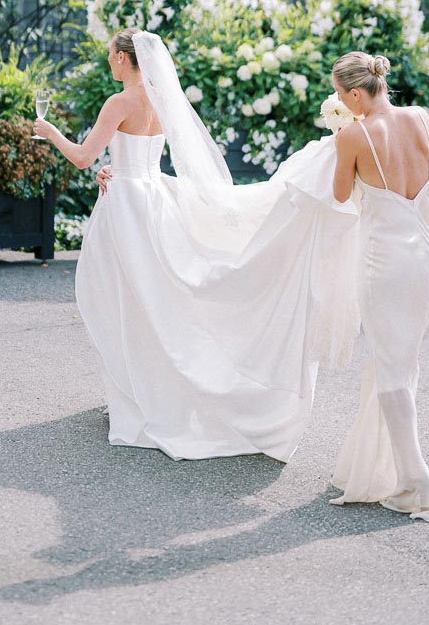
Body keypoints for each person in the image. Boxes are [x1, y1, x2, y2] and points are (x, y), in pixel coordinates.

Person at [34, 28, 359, 462]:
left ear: (124, 60)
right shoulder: (159, 99)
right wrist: (115, 169)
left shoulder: (119, 102)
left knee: (128, 301)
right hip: (151, 197)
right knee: (156, 301)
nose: (109, 62)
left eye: (112, 56)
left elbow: (82, 156)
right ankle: (146, 388)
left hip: (127, 206)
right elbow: (140, 156)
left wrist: (50, 131)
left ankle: (140, 392)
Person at [328, 51, 429, 524]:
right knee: (402, 362)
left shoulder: (353, 135)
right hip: (425, 255)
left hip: (384, 262)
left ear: (358, 93)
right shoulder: (420, 117)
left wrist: (342, 147)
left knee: (390, 369)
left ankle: (417, 481)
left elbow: (341, 195)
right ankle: (395, 469)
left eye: (343, 96)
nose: (343, 104)